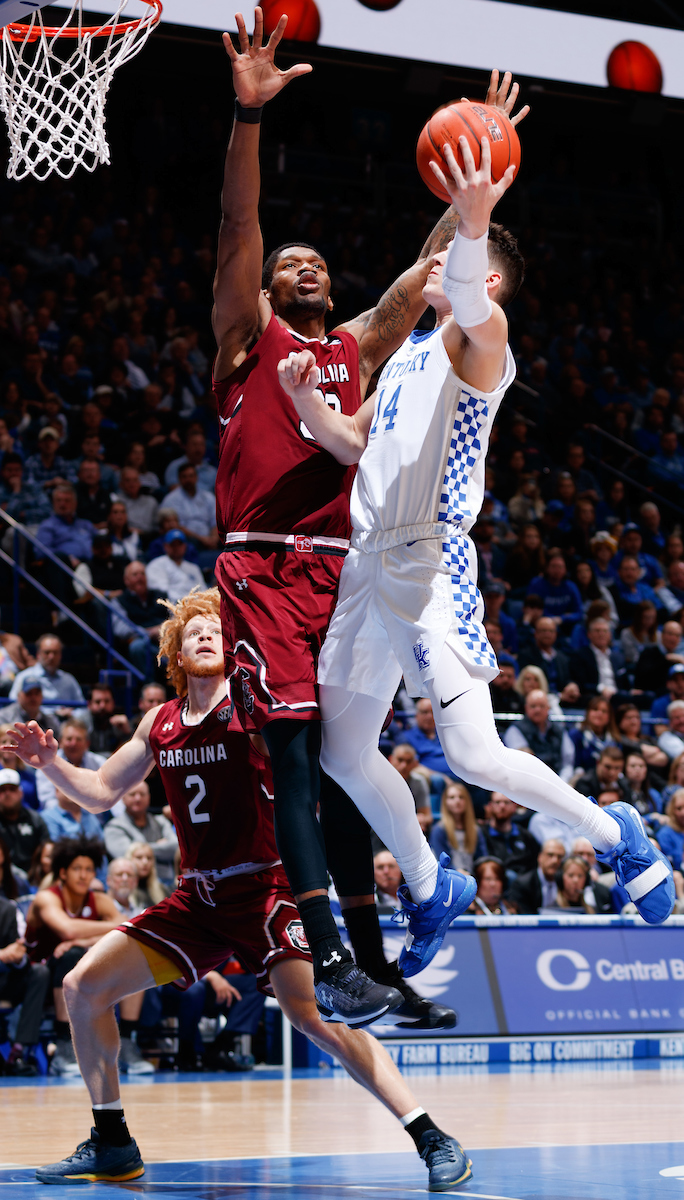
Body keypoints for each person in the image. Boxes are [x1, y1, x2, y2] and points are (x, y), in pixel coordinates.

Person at [210, 15, 526, 1024]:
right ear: (262, 293)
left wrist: (473, 185)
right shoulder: (248, 342)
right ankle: (331, 954)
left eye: (315, 263)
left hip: (341, 575)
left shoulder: (354, 346)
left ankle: (378, 952)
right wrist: (247, 119)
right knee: (299, 759)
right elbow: (238, 230)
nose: (303, 266)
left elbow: (423, 274)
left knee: (344, 762)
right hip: (263, 568)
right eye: (287, 264)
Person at [285, 134, 673, 934]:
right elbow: (355, 444)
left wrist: (472, 217)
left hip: (427, 563)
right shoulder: (404, 361)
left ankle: (617, 835)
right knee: (342, 752)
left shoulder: (484, 346)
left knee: (471, 755)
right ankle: (431, 889)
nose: (430, 266)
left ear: (485, 280)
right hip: (366, 566)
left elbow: (466, 295)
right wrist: (303, 401)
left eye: (455, 261)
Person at [5, 587, 471, 1190]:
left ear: (237, 647)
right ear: (176, 647)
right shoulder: (160, 722)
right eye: (194, 629)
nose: (205, 635)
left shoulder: (255, 708)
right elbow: (98, 792)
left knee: (315, 1018)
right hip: (196, 901)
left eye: (217, 630)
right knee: (81, 987)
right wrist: (48, 765)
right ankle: (112, 1140)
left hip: (268, 891)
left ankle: (431, 1135)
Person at [24, 835, 123, 1075]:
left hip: (78, 979)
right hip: (36, 981)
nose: (83, 875)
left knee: (112, 955)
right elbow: (67, 929)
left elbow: (127, 926)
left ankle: (127, 1041)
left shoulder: (99, 900)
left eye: (89, 869)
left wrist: (84, 939)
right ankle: (63, 1047)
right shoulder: (46, 897)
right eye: (77, 869)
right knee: (71, 957)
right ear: (63, 873)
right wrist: (96, 931)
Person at [0, 892, 50, 1075]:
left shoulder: (9, 909)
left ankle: (20, 1051)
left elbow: (20, 950)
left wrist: (17, 956)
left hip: (5, 980)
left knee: (39, 973)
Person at [104, 781, 177, 890]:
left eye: (142, 794)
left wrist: (139, 848)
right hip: (132, 888)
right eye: (132, 794)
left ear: (149, 797)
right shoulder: (114, 827)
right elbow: (127, 854)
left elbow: (175, 847)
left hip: (166, 887)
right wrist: (159, 846)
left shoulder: (160, 821)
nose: (138, 798)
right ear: (123, 798)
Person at [502, 689, 574, 780]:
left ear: (548, 708)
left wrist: (562, 783)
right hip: (527, 782)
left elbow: (567, 763)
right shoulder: (515, 730)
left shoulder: (559, 730)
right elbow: (521, 765)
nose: (537, 710)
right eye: (533, 706)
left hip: (558, 781)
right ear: (526, 708)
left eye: (542, 706)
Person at [36, 719, 106, 811]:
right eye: (69, 739)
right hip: (59, 818)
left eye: (79, 739)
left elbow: (108, 797)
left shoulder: (100, 763)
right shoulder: (47, 763)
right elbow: (47, 801)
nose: (74, 743)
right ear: (60, 742)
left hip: (94, 817)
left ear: (87, 744)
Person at [9, 633, 85, 716]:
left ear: (60, 655)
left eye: (55, 652)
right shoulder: (24, 677)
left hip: (66, 725)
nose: (51, 656)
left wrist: (72, 713)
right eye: (47, 652)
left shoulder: (69, 680)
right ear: (38, 654)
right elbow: (13, 705)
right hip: (34, 723)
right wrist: (53, 714)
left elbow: (82, 708)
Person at [517, 615, 578, 703]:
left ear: (556, 634)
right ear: (536, 633)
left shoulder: (563, 658)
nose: (547, 634)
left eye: (551, 631)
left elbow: (567, 679)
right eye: (544, 631)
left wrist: (571, 685)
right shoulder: (525, 656)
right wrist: (559, 697)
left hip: (563, 703)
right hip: (536, 701)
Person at [0, 768, 50, 874]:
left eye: (12, 789)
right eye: (2, 790)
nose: (7, 794)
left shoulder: (35, 819)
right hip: (4, 877)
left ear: (20, 793)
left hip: (34, 877)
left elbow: (46, 848)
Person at [478, 792, 539, 877]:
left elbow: (535, 863)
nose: (502, 806)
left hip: (524, 883)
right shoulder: (481, 834)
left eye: (506, 802)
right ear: (490, 806)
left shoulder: (525, 835)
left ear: (514, 806)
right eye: (497, 802)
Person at [429, 782, 484, 873]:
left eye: (461, 797)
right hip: (449, 877)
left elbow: (481, 858)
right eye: (452, 797)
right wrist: (459, 872)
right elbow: (441, 860)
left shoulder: (475, 830)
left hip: (472, 877)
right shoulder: (439, 830)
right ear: (445, 802)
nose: (457, 801)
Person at [506, 838, 566, 914]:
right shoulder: (522, 885)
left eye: (560, 857)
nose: (555, 861)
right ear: (540, 857)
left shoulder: (564, 881)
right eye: (550, 855)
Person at [145, 529, 205, 602]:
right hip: (170, 608)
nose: (176, 548)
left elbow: (203, 591)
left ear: (185, 546)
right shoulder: (156, 565)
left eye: (179, 544)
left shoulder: (193, 568)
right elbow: (160, 593)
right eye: (173, 544)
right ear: (165, 546)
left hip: (195, 607)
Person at [387, 743, 433, 835]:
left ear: (415, 763)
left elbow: (427, 816)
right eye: (400, 760)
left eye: (408, 761)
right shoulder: (381, 781)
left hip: (410, 830)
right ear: (391, 759)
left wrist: (421, 818)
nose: (404, 765)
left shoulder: (419, 781)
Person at [567, 696, 616, 775]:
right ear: (588, 713)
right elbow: (571, 763)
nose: (599, 714)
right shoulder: (576, 735)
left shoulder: (614, 740)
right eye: (595, 709)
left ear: (609, 716)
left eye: (604, 711)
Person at [125, 843, 168, 907]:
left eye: (149, 858)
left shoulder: (162, 890)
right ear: (129, 860)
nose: (145, 862)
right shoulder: (122, 891)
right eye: (139, 858)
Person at [619, 600, 659, 666]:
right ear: (639, 617)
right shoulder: (627, 633)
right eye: (646, 617)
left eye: (652, 618)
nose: (649, 621)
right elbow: (632, 657)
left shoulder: (658, 635)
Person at [656, 791, 684, 869]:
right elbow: (668, 864)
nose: (683, 813)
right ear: (672, 810)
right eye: (679, 808)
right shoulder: (665, 834)